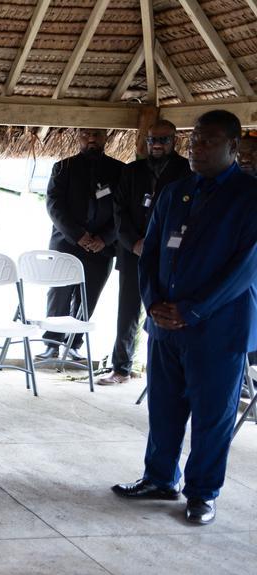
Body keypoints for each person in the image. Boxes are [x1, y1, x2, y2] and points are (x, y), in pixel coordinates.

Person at [112, 110, 257, 526]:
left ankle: (202, 492)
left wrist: (193, 310)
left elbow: (246, 268)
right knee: (163, 408)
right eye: (194, 140)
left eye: (208, 141)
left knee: (213, 416)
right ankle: (159, 478)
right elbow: (149, 252)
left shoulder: (249, 197)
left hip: (218, 330)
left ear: (233, 147)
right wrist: (154, 302)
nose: (197, 147)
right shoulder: (176, 192)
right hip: (165, 325)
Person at [100, 120, 191, 386]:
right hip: (133, 252)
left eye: (163, 139)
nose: (157, 144)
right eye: (152, 140)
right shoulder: (132, 171)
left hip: (170, 255)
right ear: (145, 142)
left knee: (165, 311)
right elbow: (119, 211)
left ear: (175, 141)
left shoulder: (186, 170)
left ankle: (162, 370)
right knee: (127, 310)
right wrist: (134, 243)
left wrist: (157, 247)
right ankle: (121, 368)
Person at [38, 128, 123, 361]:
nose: (92, 139)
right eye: (86, 135)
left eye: (96, 135)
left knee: (89, 295)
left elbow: (123, 211)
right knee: (59, 293)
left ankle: (74, 343)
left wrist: (104, 239)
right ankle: (52, 343)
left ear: (106, 136)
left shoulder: (119, 171)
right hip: (67, 243)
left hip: (102, 247)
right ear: (78, 137)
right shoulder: (63, 167)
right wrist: (78, 236)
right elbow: (54, 206)